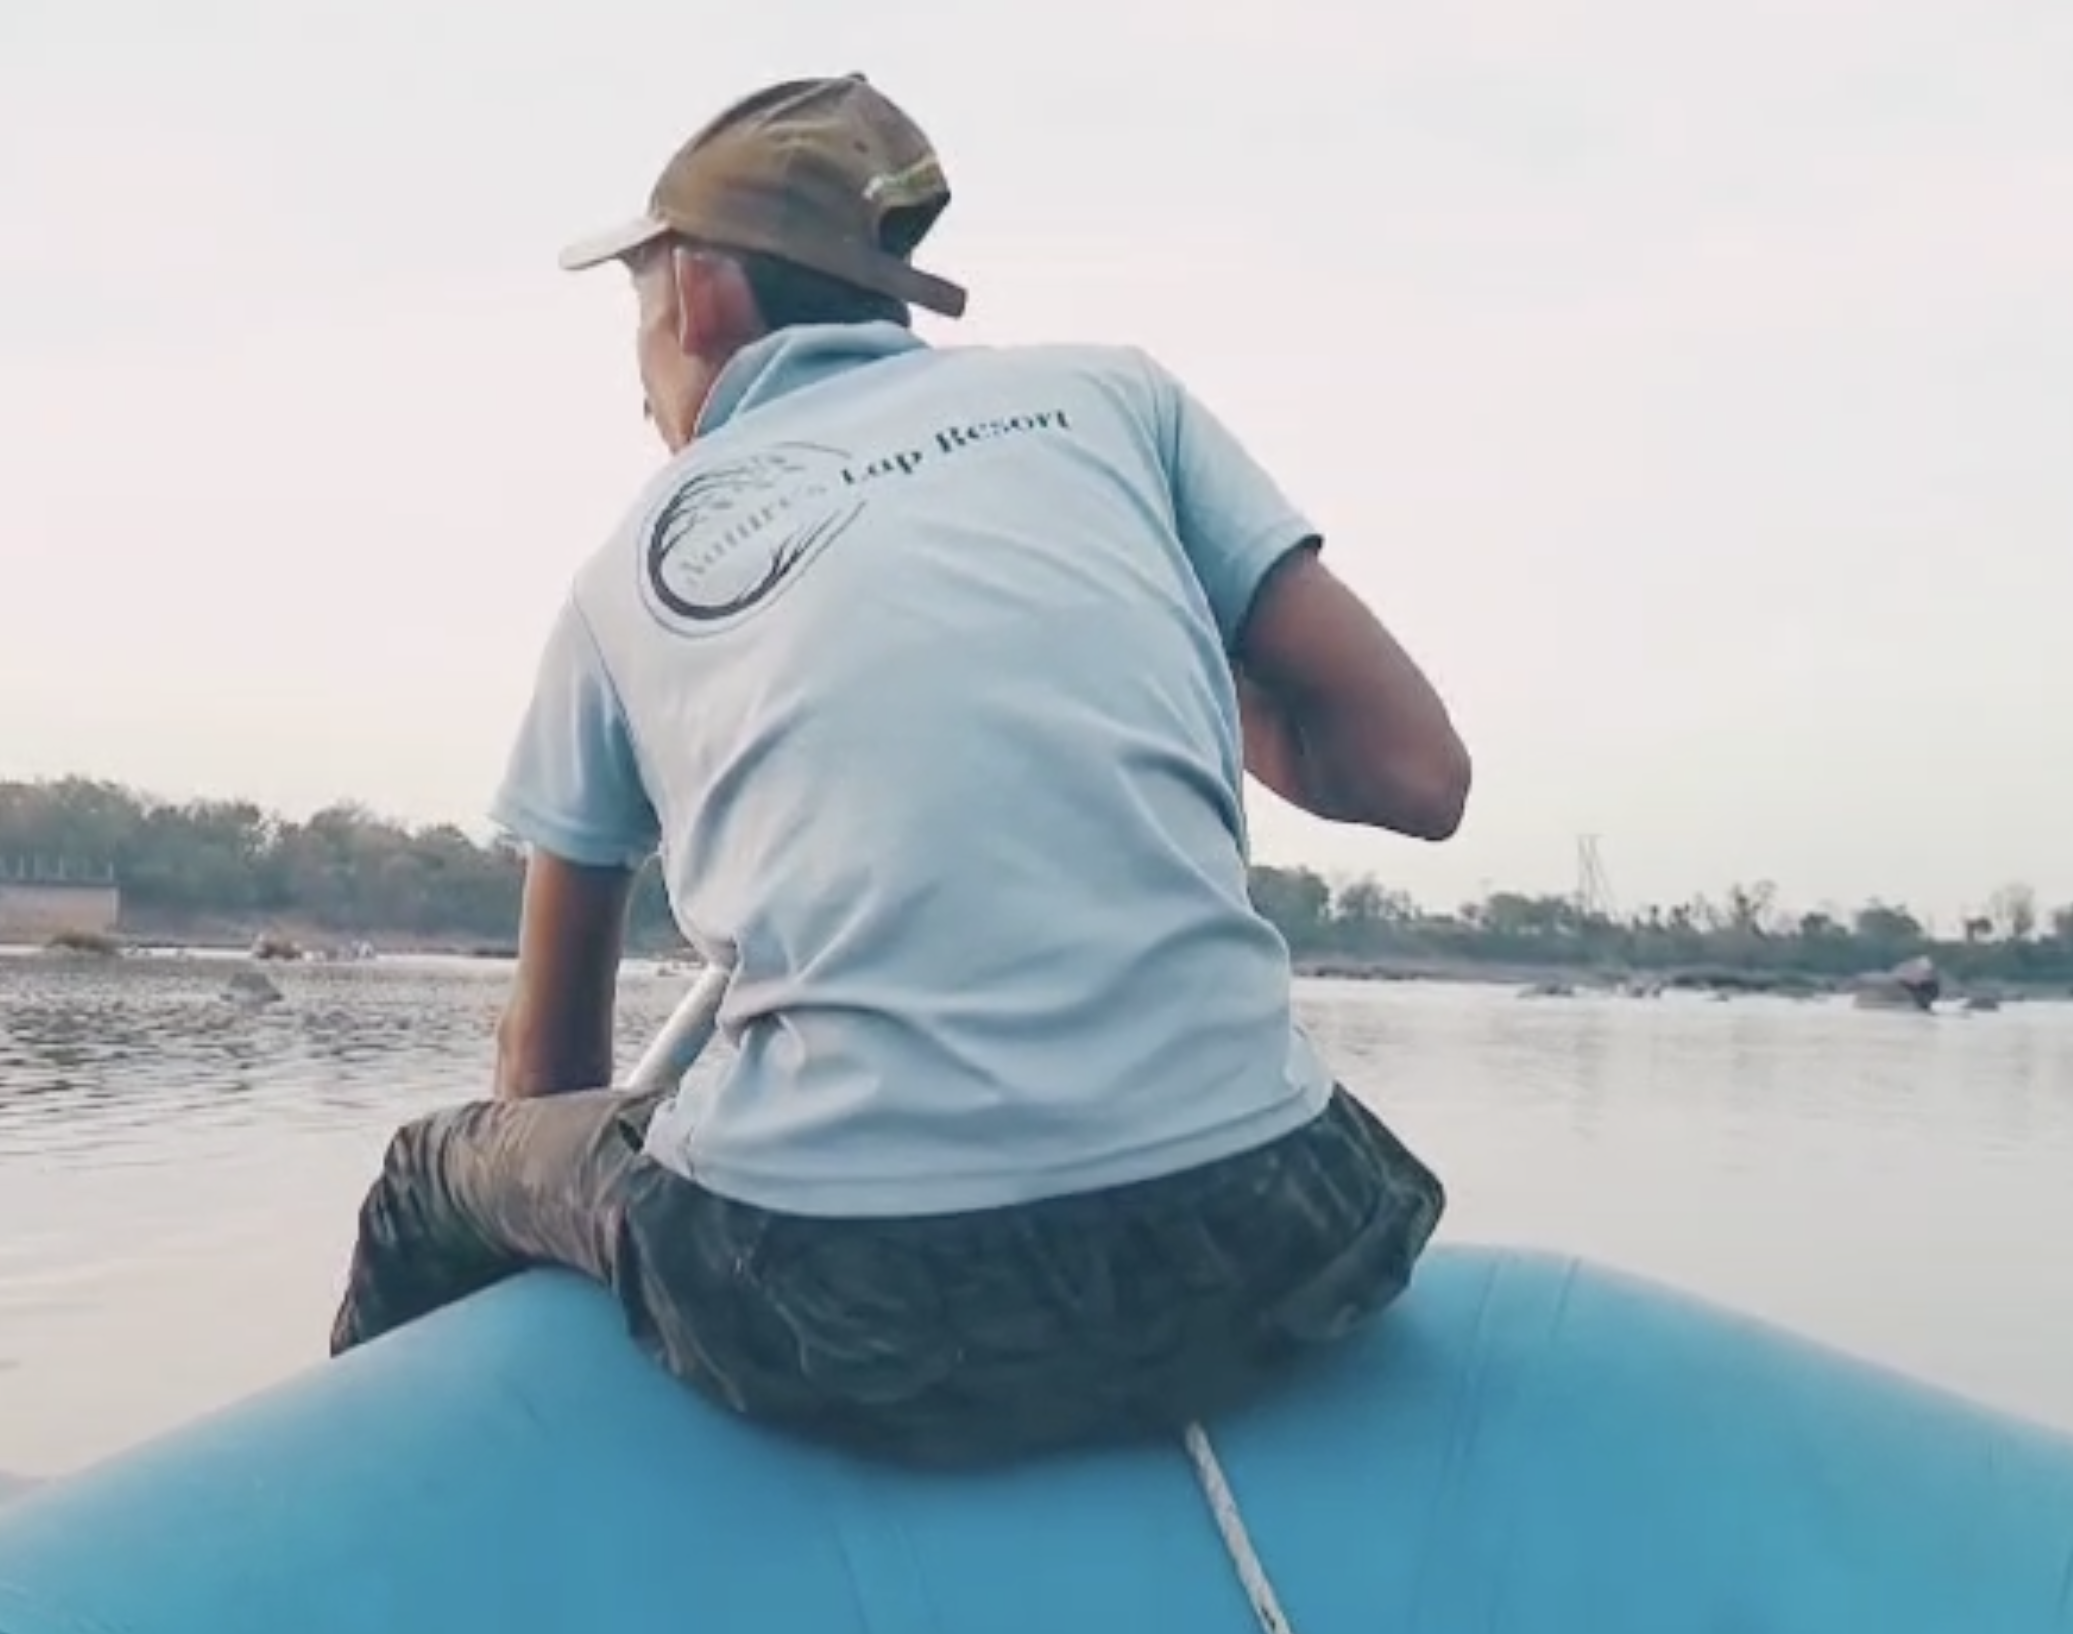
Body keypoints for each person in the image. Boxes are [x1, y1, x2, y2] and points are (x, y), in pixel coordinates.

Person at [327, 73, 1471, 1470]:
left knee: (430, 1174)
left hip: (835, 1305)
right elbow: (1420, 777)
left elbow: (546, 1073)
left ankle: (414, 1526)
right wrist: (1143, 662)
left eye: (635, 313)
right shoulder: (1113, 401)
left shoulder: (627, 567)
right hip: (1286, 1233)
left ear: (697, 297)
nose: (639, 378)